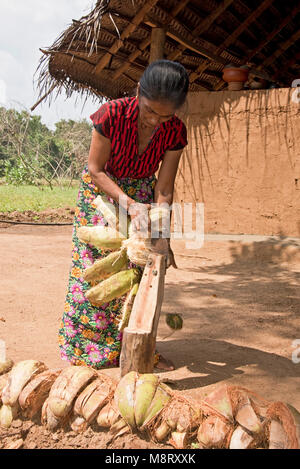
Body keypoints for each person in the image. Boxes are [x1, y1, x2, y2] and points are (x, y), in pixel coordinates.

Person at [58, 60, 189, 371]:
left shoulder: (175, 131)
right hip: (103, 194)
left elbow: (165, 188)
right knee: (95, 271)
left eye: (165, 115)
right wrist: (126, 203)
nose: (155, 121)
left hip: (143, 199)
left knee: (139, 274)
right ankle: (86, 353)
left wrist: (160, 232)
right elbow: (95, 168)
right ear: (138, 92)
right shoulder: (111, 115)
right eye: (149, 111)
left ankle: (133, 350)